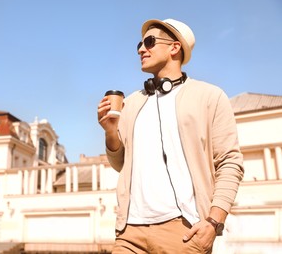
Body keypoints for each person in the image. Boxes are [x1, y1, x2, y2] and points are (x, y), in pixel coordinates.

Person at [97, 18, 244, 253]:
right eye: (139, 44)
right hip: (129, 232)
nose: (141, 49)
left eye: (149, 42)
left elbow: (230, 162)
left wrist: (214, 221)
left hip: (184, 231)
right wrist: (111, 131)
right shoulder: (132, 102)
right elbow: (120, 164)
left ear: (175, 47)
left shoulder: (210, 96)